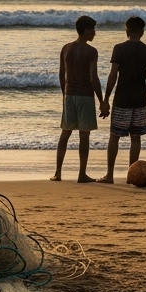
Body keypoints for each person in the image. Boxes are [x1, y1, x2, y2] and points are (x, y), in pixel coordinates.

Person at [97, 16, 146, 183]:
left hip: (122, 98)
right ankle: (132, 175)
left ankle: (110, 175)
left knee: (114, 136)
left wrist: (105, 99)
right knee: (136, 137)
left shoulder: (119, 49)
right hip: (140, 99)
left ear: (127, 30)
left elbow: (113, 75)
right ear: (142, 31)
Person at [52, 15, 108, 182]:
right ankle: (81, 174)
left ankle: (58, 173)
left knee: (65, 133)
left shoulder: (66, 48)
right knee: (84, 135)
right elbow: (93, 78)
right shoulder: (91, 51)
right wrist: (102, 101)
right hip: (85, 96)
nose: (95, 33)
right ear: (85, 30)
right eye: (92, 29)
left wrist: (65, 94)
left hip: (69, 95)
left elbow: (62, 75)